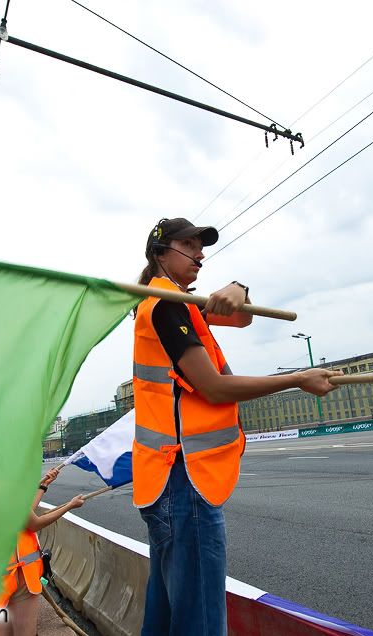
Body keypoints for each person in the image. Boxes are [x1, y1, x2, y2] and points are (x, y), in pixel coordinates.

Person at [133, 218, 341, 635]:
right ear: (160, 254)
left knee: (167, 616)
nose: (200, 254)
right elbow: (212, 387)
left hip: (166, 479)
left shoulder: (181, 304)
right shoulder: (166, 306)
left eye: (201, 246)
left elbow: (241, 318)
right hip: (185, 478)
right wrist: (298, 378)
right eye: (188, 245)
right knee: (201, 623)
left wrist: (237, 287)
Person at [0, 466, 85, 636]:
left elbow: (22, 515)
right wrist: (69, 506)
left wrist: (42, 487)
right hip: (20, 574)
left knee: (3, 629)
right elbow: (33, 523)